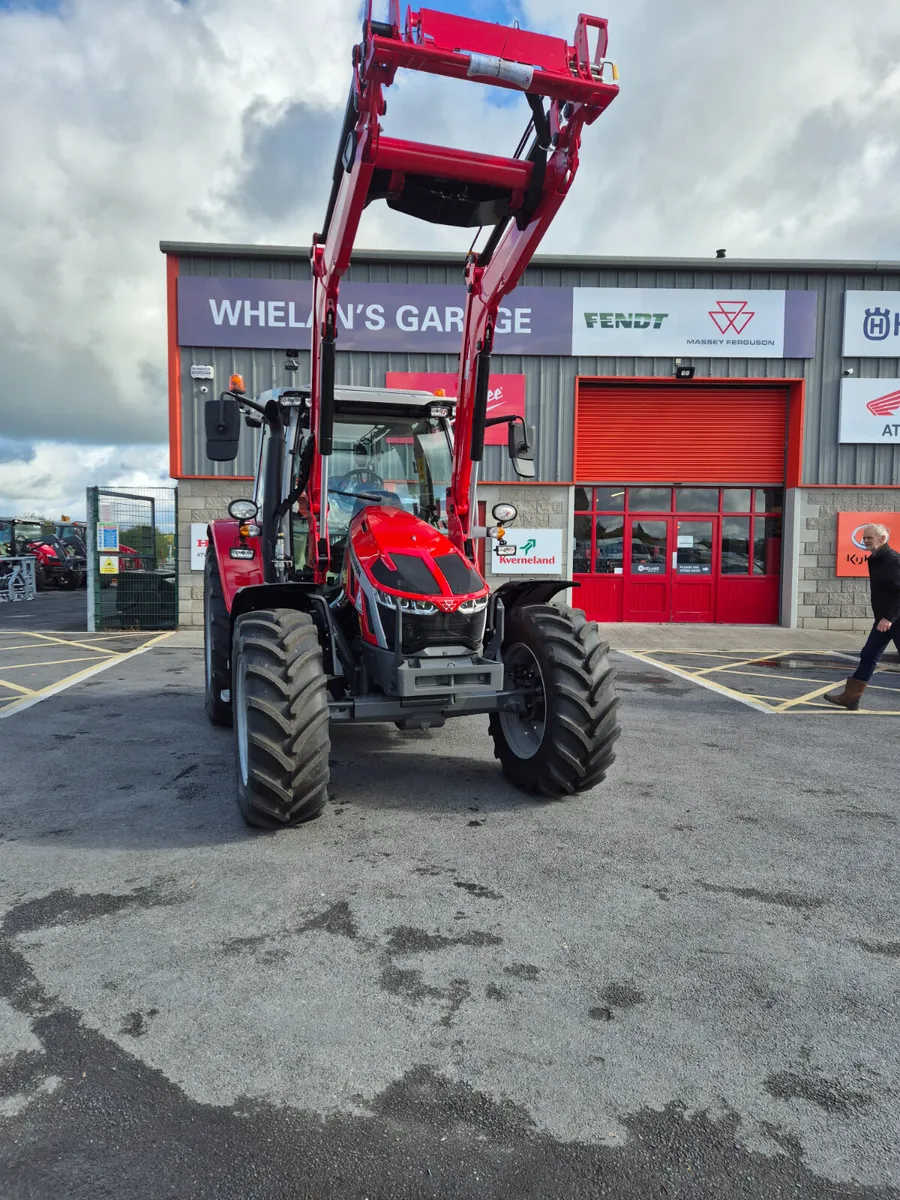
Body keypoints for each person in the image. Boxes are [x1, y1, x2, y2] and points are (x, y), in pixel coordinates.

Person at [825, 523, 900, 710]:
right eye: (864, 537)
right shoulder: (875, 559)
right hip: (883, 620)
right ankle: (851, 698)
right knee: (868, 655)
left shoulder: (893, 560)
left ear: (883, 538)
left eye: (870, 537)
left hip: (894, 619)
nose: (866, 541)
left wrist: (889, 618)